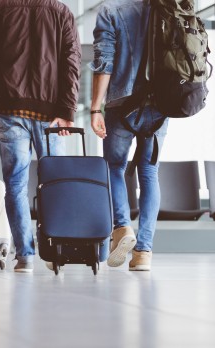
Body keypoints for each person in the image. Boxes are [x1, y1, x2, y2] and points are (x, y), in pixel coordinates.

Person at [0, 0, 81, 273]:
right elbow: (72, 61)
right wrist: (67, 109)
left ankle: (25, 255)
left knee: (16, 185)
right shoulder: (61, 11)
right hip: (51, 113)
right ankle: (54, 250)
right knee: (54, 183)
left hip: (10, 107)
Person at [89, 0, 168, 272]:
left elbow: (103, 63)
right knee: (149, 171)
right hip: (161, 104)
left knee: (115, 166)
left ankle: (122, 227)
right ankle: (144, 252)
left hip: (121, 104)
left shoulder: (111, 11)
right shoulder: (167, 7)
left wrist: (95, 107)